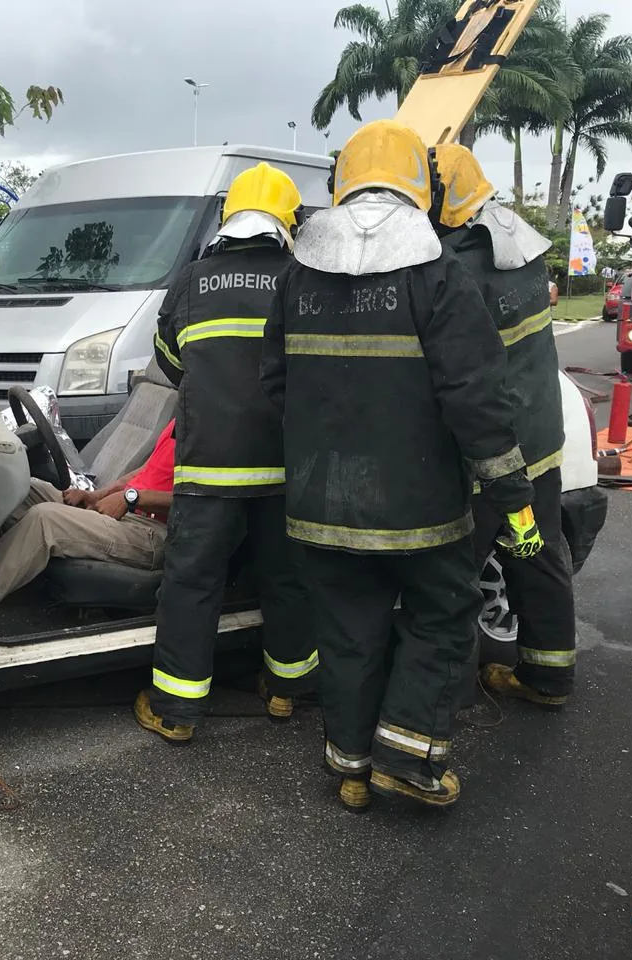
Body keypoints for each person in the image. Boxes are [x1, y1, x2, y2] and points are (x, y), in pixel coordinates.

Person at [261, 120, 541, 812]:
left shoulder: (298, 278)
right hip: (420, 509)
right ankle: (408, 760)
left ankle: (351, 768)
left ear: (342, 178)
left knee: (348, 629)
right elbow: (477, 399)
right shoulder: (438, 275)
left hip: (319, 506)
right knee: (444, 614)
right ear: (424, 183)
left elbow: (275, 387)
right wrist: (512, 495)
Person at [137, 163, 319, 744]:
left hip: (209, 470)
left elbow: (170, 362)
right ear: (288, 222)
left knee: (192, 585)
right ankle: (287, 690)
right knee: (286, 581)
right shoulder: (301, 279)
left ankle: (176, 711)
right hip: (285, 470)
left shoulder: (192, 282)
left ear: (228, 218)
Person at [430, 144, 575, 708]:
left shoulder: (462, 265)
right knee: (535, 557)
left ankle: (443, 698)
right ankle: (550, 677)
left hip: (493, 457)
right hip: (539, 442)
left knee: (449, 574)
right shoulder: (518, 243)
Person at [0, 420, 177, 604]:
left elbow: (200, 501)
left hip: (153, 532)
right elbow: (143, 471)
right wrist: (96, 496)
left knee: (45, 519)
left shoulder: (205, 431)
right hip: (129, 510)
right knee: (21, 489)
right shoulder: (181, 419)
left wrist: (131, 499)